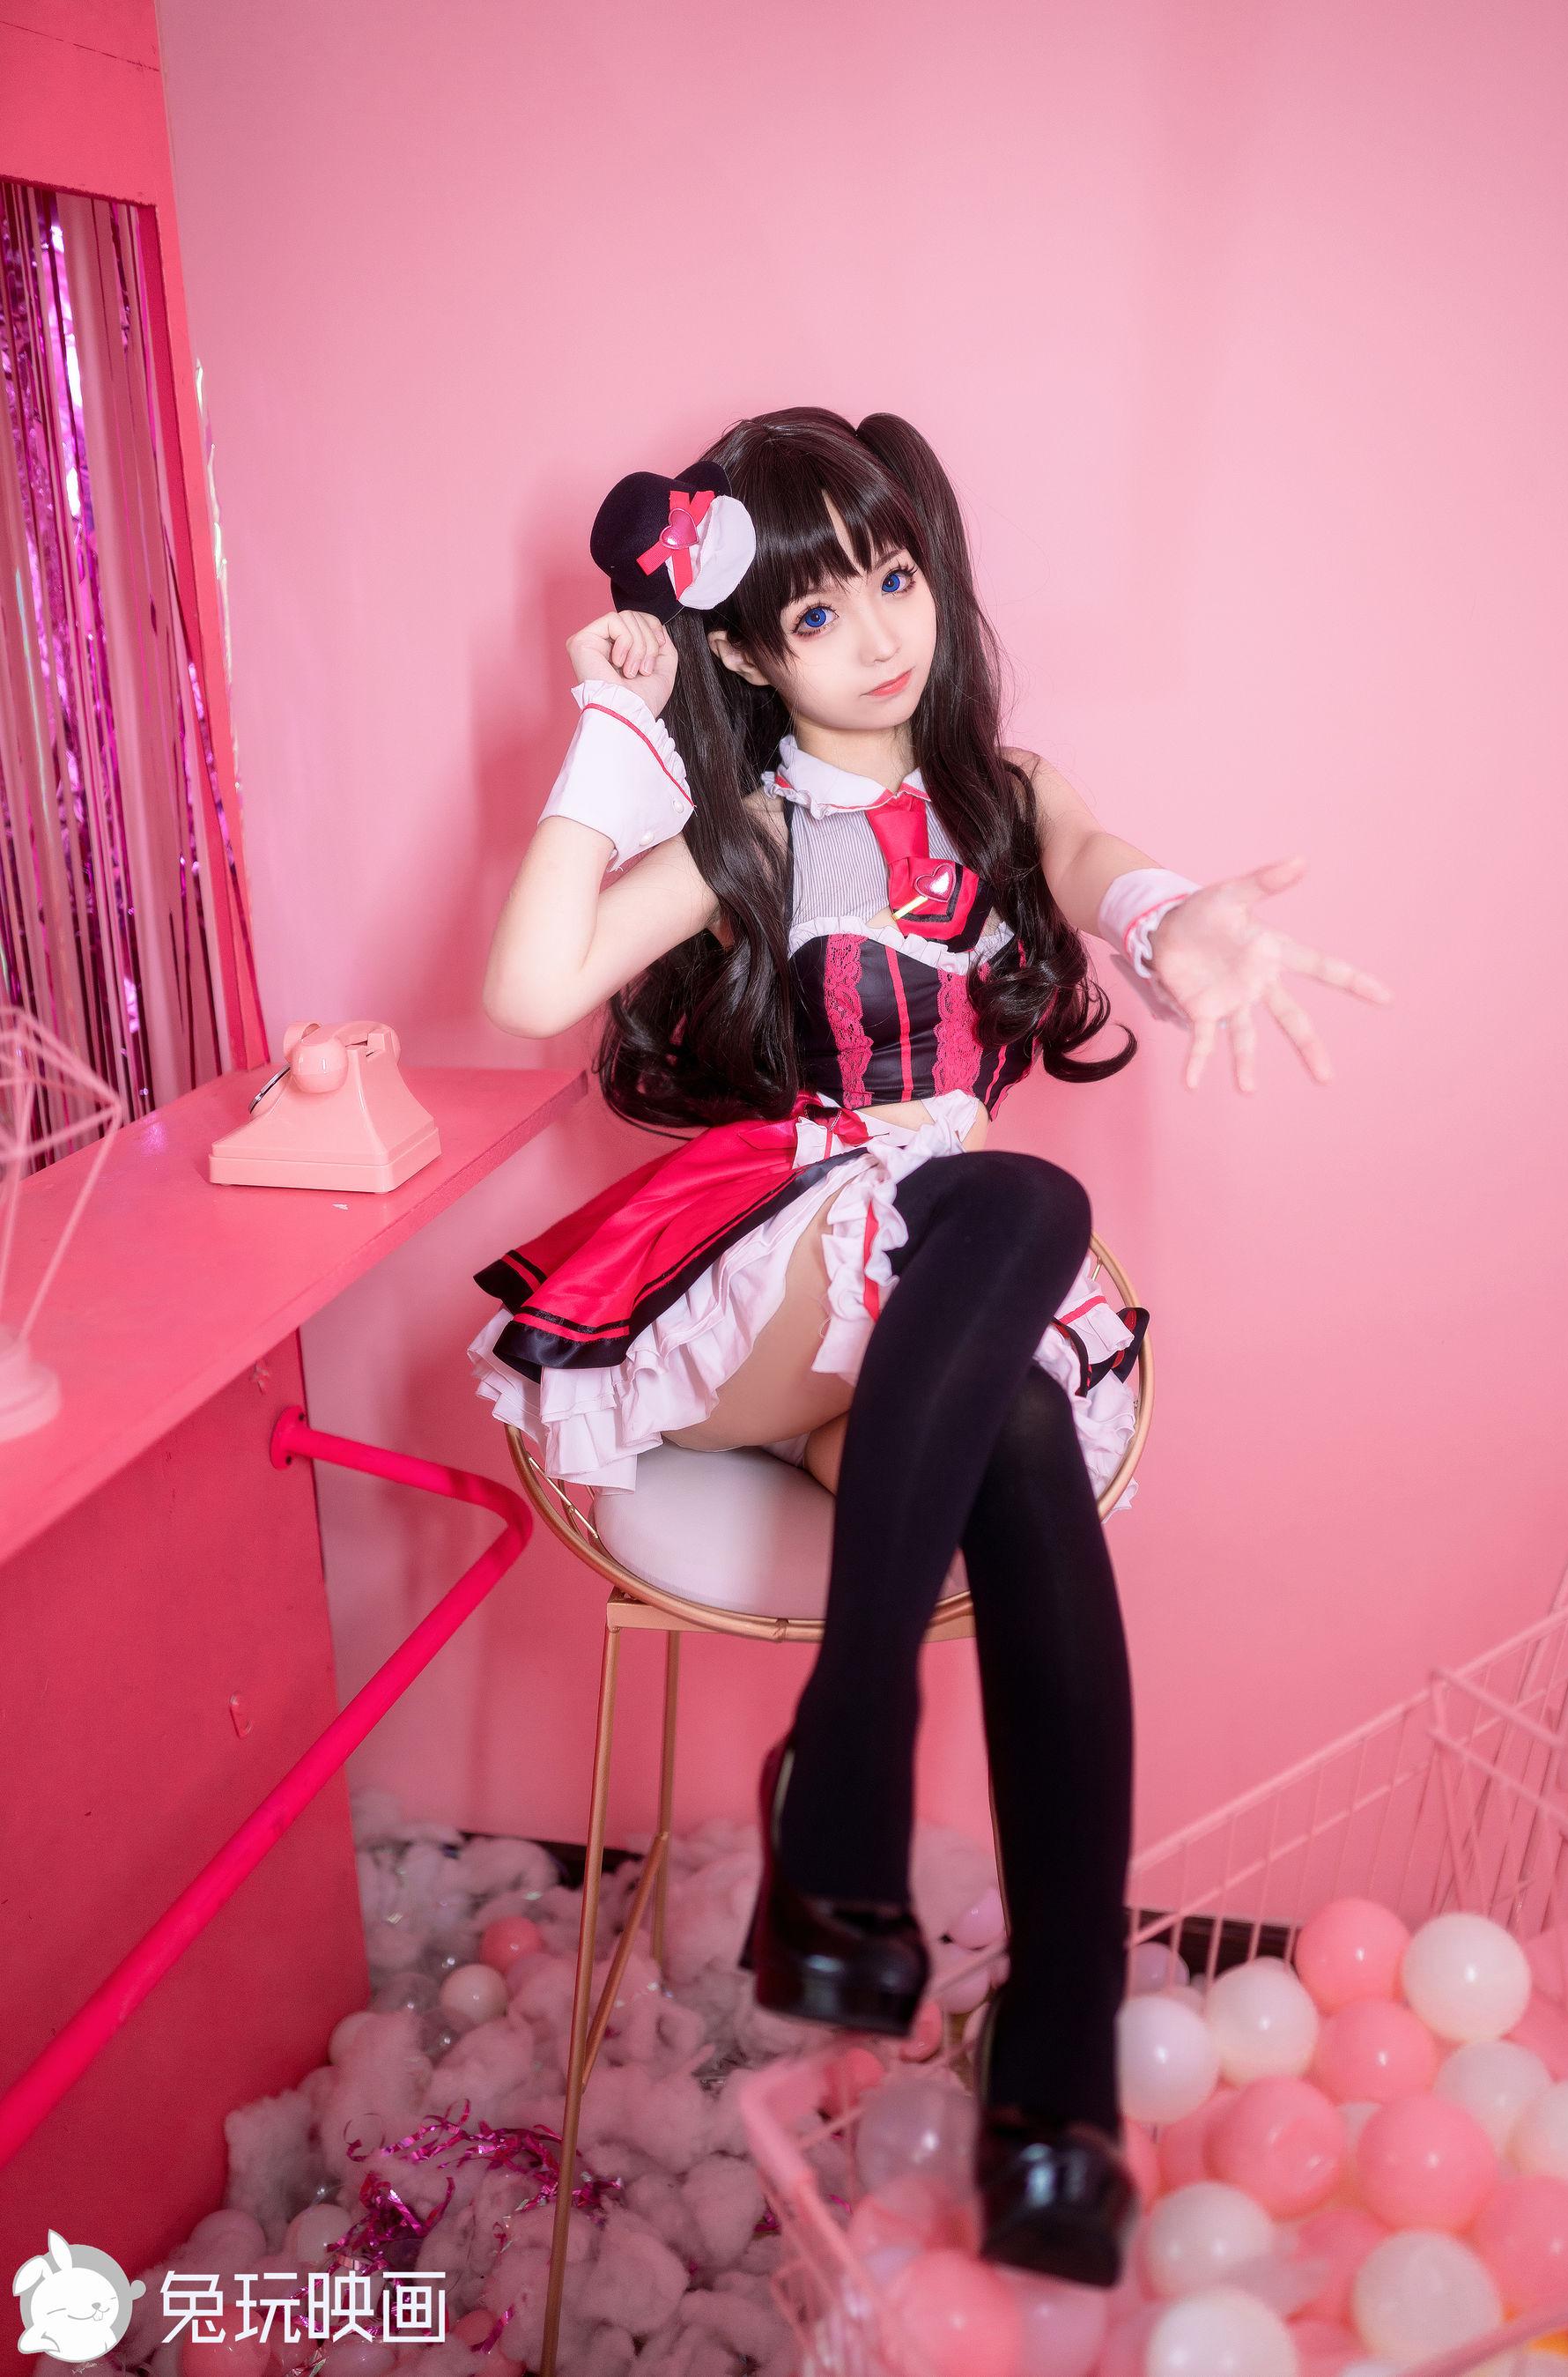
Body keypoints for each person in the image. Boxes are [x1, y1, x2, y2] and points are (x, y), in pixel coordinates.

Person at [469, 407, 1389, 2286]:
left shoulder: (1005, 795)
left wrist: (1175, 923)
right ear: (748, 652)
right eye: (818, 614)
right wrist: (614, 723)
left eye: (895, 578)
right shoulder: (747, 828)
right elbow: (527, 981)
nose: (880, 632)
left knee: (1023, 1420)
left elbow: (1110, 864)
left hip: (918, 1340)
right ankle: (855, 1754)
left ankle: (1049, 2095)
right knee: (1024, 1198)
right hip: (779, 1289)